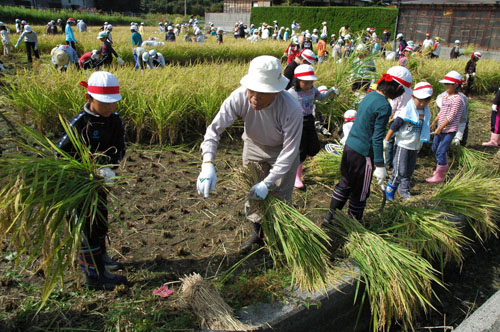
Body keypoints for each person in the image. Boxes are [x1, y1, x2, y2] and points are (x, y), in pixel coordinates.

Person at [196, 56, 303, 251]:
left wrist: (268, 182)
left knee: (280, 195)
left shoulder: (291, 108)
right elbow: (214, 130)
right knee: (252, 193)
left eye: (263, 93)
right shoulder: (238, 97)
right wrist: (207, 164)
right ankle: (258, 233)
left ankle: (279, 236)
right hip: (253, 145)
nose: (255, 97)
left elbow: (289, 151)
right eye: (252, 90)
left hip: (281, 151)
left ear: (277, 91)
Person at [57, 71, 127, 289]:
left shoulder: (115, 121)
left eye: (113, 103)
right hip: (79, 186)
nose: (110, 108)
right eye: (104, 104)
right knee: (86, 227)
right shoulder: (79, 123)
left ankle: (102, 256)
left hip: (101, 183)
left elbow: (121, 147)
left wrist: (110, 167)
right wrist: (84, 171)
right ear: (89, 98)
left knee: (101, 220)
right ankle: (94, 275)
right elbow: (60, 153)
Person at [323, 66, 412, 223]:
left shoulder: (369, 96)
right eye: (402, 91)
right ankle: (355, 224)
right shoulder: (384, 106)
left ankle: (330, 217)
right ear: (398, 88)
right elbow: (376, 138)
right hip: (363, 155)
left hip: (350, 148)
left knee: (345, 183)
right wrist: (380, 165)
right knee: (361, 192)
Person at [288, 64, 338, 189]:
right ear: (297, 81)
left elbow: (321, 98)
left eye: (311, 81)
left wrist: (332, 92)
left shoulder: (313, 90)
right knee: (301, 149)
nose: (309, 84)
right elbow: (284, 108)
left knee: (314, 146)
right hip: (297, 122)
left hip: (310, 119)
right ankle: (296, 177)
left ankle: (303, 157)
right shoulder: (291, 93)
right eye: (306, 82)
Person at [384, 82, 433, 200]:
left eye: (425, 101)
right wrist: (386, 140)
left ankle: (404, 191)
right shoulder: (407, 110)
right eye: (419, 100)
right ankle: (390, 190)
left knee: (409, 170)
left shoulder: (426, 112)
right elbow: (394, 126)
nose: (422, 103)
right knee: (399, 170)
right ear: (413, 97)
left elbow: (425, 127)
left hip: (415, 145)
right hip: (403, 145)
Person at [426, 71, 465, 183]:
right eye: (445, 84)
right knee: (435, 148)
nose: (446, 86)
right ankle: (443, 165)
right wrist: (434, 123)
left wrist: (440, 128)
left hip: (449, 130)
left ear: (456, 85)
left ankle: (440, 175)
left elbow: (451, 117)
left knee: (440, 151)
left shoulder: (457, 99)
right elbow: (442, 112)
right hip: (441, 128)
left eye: (448, 84)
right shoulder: (445, 97)